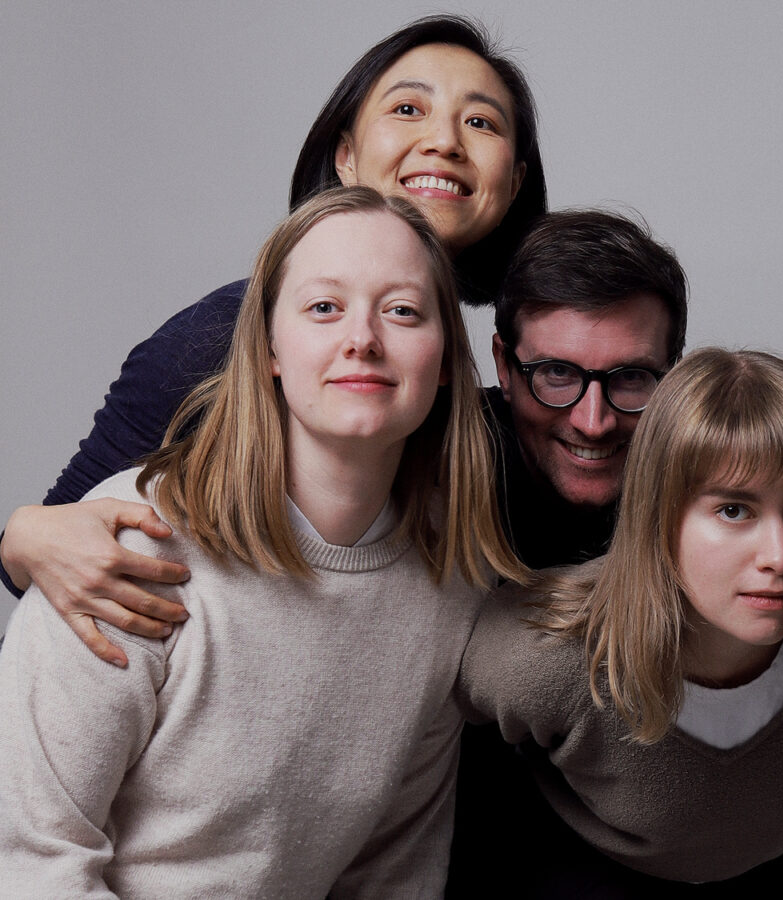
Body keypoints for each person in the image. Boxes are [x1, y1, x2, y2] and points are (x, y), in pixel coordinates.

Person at [0, 187, 527, 897]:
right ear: (270, 349)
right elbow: (32, 858)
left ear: (444, 362)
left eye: (402, 311)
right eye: (323, 307)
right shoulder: (130, 542)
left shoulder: (450, 578)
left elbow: (394, 870)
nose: (362, 339)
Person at [0, 14, 545, 665]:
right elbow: (51, 549)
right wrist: (20, 536)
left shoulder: (486, 396)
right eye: (408, 108)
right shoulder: (224, 335)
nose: (444, 141)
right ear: (346, 157)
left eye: (481, 122)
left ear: (512, 184)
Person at [459, 348, 783, 897]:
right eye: (734, 510)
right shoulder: (537, 658)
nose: (780, 556)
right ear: (659, 516)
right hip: (603, 871)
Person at [448, 207, 689, 897]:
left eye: (632, 378)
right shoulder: (425, 463)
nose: (594, 420)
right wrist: (113, 510)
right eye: (555, 374)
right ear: (502, 362)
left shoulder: (722, 485)